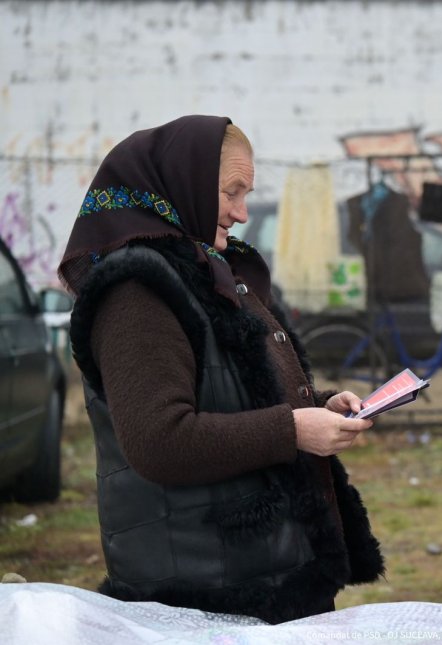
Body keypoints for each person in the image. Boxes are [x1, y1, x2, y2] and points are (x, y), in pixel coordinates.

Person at [58, 116, 384, 624]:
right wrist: (295, 429)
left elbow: (234, 391)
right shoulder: (136, 293)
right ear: (182, 182)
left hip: (260, 575)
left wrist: (319, 407)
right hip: (203, 596)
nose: (241, 212)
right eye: (231, 192)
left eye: (246, 194)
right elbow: (160, 440)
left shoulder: (204, 271)